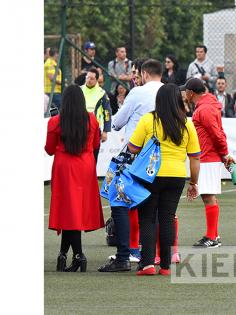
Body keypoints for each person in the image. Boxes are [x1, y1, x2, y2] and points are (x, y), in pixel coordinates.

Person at [128, 83, 201, 276]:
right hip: (176, 175)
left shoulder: (148, 120)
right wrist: (193, 183)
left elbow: (133, 148)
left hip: (150, 175)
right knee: (167, 218)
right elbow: (195, 157)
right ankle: (166, 266)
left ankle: (147, 265)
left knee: (147, 218)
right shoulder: (186, 123)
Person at [98, 59, 164, 273]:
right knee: (157, 207)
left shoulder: (137, 93)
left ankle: (125, 255)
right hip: (163, 156)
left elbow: (116, 123)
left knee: (120, 202)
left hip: (136, 154)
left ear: (144, 74)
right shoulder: (170, 91)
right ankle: (159, 255)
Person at [45, 85, 105, 272]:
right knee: (76, 212)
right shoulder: (92, 120)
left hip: (64, 167)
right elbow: (95, 145)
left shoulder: (55, 121)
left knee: (68, 210)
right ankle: (69, 255)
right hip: (85, 167)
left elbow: (49, 149)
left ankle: (74, 255)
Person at [182, 78, 235, 248]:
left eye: (186, 91)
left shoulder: (204, 108)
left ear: (191, 93)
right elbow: (218, 133)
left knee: (208, 196)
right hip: (209, 156)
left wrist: (225, 154)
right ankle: (214, 235)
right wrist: (224, 154)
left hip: (207, 157)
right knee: (208, 196)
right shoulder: (208, 105)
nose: (185, 94)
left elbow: (216, 134)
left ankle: (212, 237)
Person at [81, 68, 111, 162]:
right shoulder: (79, 90)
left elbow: (107, 112)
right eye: (87, 77)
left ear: (97, 80)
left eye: (92, 78)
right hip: (79, 128)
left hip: (95, 130)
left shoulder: (101, 93)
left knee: (94, 157)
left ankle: (91, 175)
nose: (89, 80)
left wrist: (105, 131)